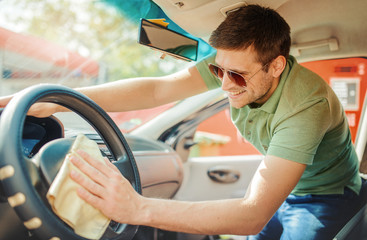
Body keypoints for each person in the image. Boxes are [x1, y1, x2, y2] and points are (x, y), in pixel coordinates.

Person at [1, 4, 366, 239]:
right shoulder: (235, 68)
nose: (224, 85)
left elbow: (252, 214)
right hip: (287, 191)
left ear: (276, 66)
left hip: (327, 195)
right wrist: (56, 103)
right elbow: (159, 89)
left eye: (236, 75)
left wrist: (136, 208)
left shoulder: (306, 105)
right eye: (217, 69)